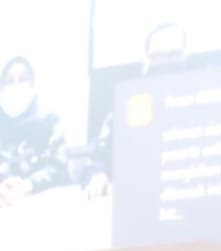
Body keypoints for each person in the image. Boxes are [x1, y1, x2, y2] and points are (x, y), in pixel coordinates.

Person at [81, 23, 192, 200]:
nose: (165, 62)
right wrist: (97, 176)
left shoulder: (203, 102)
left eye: (173, 55)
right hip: (137, 203)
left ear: (185, 56)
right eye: (158, 57)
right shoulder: (126, 108)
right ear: (146, 61)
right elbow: (97, 159)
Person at [0, 57, 68, 211]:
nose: (16, 86)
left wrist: (27, 186)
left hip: (41, 214)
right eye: (9, 81)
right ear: (0, 89)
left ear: (33, 86)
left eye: (23, 79)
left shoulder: (49, 124)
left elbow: (60, 172)